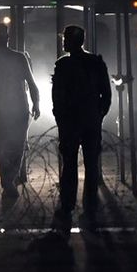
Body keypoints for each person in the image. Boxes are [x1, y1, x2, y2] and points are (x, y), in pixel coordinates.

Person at [51, 25, 112, 232]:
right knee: (91, 165)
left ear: (70, 41)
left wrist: (61, 119)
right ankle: (90, 207)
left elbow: (57, 97)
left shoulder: (63, 65)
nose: (63, 42)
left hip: (70, 123)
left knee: (69, 165)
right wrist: (98, 115)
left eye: (65, 39)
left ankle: (68, 205)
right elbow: (106, 94)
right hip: (90, 121)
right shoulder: (96, 62)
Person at [0, 23, 40, 198]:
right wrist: (36, 103)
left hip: (0, 109)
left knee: (3, 146)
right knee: (16, 146)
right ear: (8, 38)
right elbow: (31, 83)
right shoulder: (19, 58)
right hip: (19, 108)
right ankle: (9, 181)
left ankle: (6, 180)